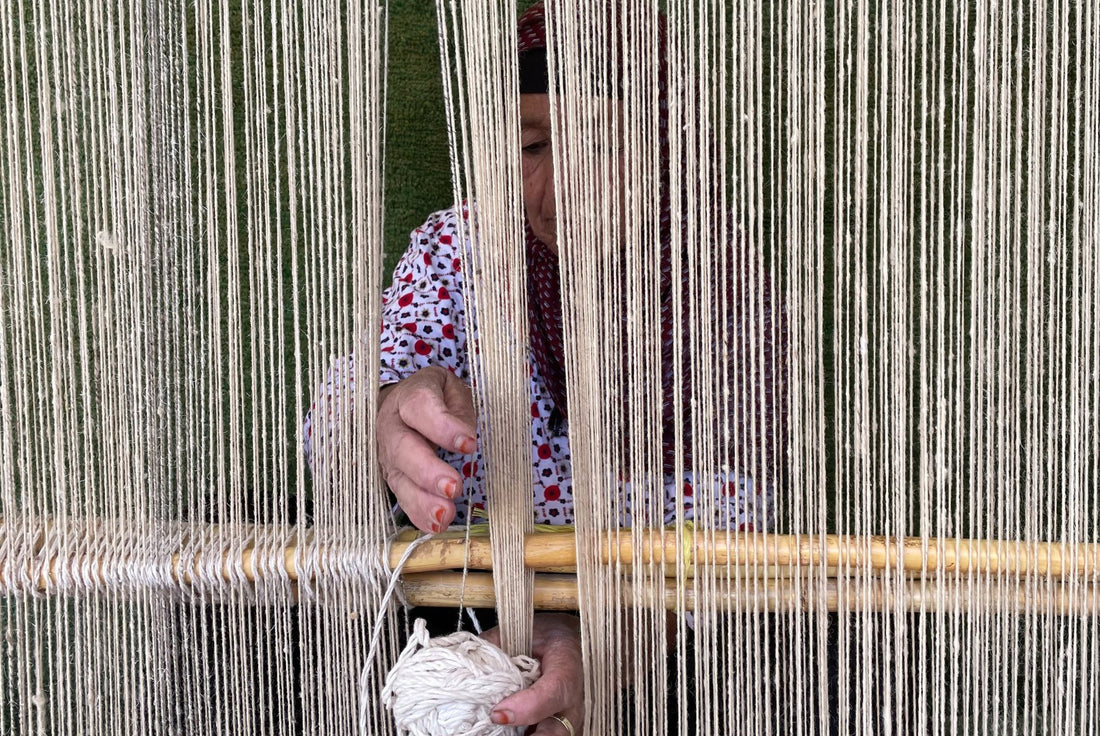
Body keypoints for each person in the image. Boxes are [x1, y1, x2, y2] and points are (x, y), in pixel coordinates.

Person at [305, 4, 785, 733]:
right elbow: (349, 406)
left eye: (598, 142)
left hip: (650, 633)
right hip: (441, 615)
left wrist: (580, 639)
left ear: (666, 142)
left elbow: (731, 523)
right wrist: (386, 411)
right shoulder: (457, 255)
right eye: (532, 146)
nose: (560, 189)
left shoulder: (721, 289)